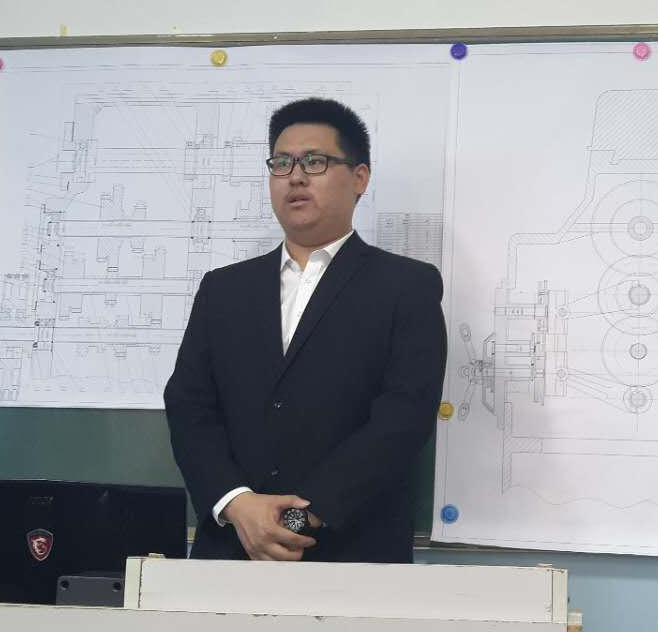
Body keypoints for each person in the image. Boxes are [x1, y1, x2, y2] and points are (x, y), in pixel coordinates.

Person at [163, 97, 447, 562]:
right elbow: (188, 407)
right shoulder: (223, 290)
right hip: (232, 549)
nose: (295, 176)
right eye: (282, 163)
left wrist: (293, 521)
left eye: (315, 162)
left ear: (359, 177)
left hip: (354, 555)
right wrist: (238, 506)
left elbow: (403, 419)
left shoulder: (406, 286)